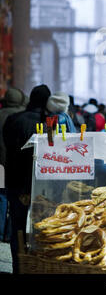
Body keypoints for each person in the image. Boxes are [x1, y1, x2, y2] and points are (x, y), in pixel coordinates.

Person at [3, 84, 51, 273]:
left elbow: (8, 146)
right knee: (43, 228)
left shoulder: (14, 119)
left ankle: (19, 267)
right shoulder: (49, 123)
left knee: (18, 229)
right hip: (41, 185)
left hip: (16, 182)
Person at [0, 88, 28, 243]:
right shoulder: (21, 116)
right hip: (15, 165)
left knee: (1, 196)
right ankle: (9, 234)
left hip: (0, 163)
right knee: (13, 199)